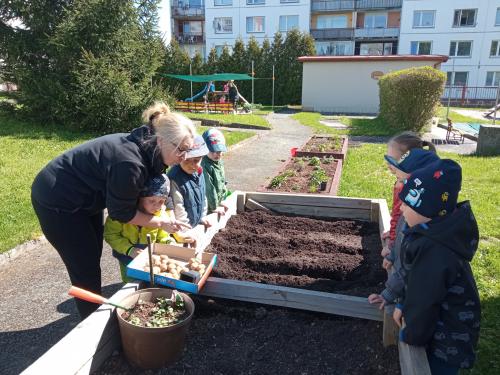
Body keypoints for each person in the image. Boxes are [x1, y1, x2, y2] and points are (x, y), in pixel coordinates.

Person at [31, 102, 194, 319]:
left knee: (92, 253)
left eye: (188, 150)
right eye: (182, 150)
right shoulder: (130, 163)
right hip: (58, 200)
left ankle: (94, 312)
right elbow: (122, 214)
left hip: (86, 196)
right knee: (84, 265)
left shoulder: (149, 147)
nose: (184, 157)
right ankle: (92, 325)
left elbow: (160, 182)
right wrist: (161, 223)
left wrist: (171, 217)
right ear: (162, 140)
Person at [394, 159, 480, 374]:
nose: (401, 206)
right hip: (438, 325)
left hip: (447, 340)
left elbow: (424, 298)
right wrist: (403, 302)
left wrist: (411, 335)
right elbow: (414, 281)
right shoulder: (431, 232)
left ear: (429, 209)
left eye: (408, 202)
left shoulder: (436, 249)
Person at [368, 148, 439, 308]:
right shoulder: (409, 220)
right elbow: (401, 244)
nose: (400, 207)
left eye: (402, 181)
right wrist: (392, 255)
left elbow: (409, 268)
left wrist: (395, 300)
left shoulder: (428, 240)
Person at [104, 174, 175, 282]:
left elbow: (162, 236)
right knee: (131, 282)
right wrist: (130, 250)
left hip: (149, 258)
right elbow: (111, 235)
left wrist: (170, 243)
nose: (156, 206)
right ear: (140, 198)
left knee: (148, 281)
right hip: (126, 256)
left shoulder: (160, 214)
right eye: (151, 201)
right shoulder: (122, 214)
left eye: (161, 201)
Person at [380, 132, 437, 262]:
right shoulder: (419, 180)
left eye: (392, 160)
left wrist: (391, 247)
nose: (388, 164)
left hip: (411, 244)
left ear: (408, 160)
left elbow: (398, 216)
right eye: (386, 159)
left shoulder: (405, 186)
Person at [168, 135, 210, 228]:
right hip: (183, 228)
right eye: (187, 159)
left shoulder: (199, 173)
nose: (191, 165)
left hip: (195, 223)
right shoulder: (175, 178)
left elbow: (203, 196)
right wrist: (185, 228)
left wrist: (202, 217)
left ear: (202, 158)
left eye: (196, 160)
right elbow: (178, 207)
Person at [201, 128, 229, 214]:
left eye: (219, 151)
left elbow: (221, 180)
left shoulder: (218, 162)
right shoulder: (205, 165)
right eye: (212, 150)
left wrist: (222, 200)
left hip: (217, 200)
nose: (216, 154)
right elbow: (209, 188)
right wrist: (214, 207)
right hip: (209, 205)